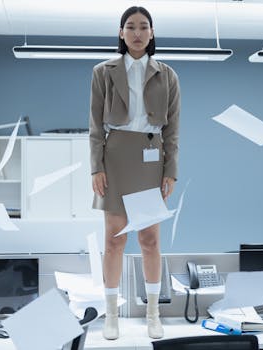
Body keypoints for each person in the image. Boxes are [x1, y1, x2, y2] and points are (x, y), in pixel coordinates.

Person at [89, 6, 180, 340]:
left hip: (151, 158)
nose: (137, 33)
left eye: (144, 27)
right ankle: (111, 315)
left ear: (152, 33)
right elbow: (95, 125)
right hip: (115, 154)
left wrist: (170, 170)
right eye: (131, 27)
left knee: (150, 239)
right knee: (114, 240)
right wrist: (96, 167)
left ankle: (153, 314)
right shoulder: (103, 71)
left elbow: (173, 130)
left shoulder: (168, 75)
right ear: (121, 32)